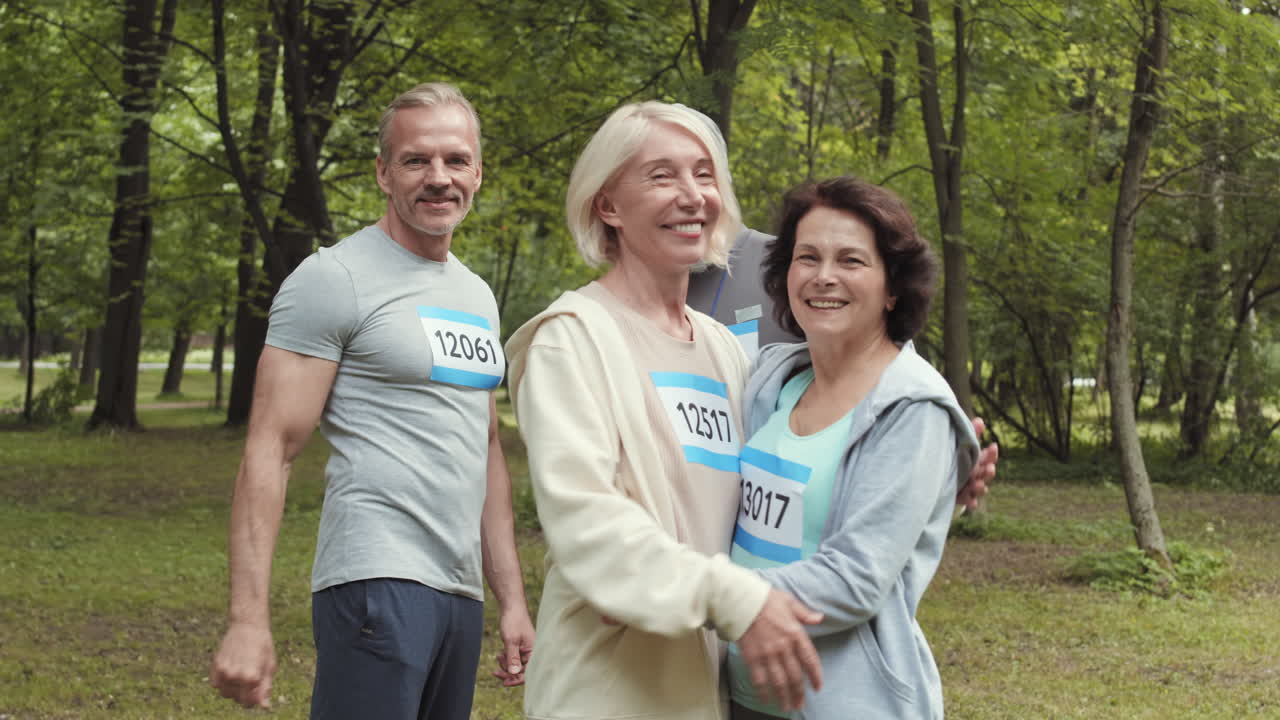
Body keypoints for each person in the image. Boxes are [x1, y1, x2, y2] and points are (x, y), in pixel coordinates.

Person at [208, 83, 534, 720]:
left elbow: (485, 445)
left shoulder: (475, 295)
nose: (438, 178)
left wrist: (512, 597)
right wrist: (248, 619)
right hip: (375, 581)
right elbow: (270, 448)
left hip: (457, 591)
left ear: (477, 172)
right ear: (384, 173)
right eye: (416, 161)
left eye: (455, 161)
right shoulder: (336, 277)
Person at [504, 101, 825, 720]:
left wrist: (914, 466)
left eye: (704, 174)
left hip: (704, 691)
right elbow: (588, 526)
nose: (692, 196)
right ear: (608, 205)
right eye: (661, 176)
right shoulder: (570, 339)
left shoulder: (722, 350)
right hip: (602, 694)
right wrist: (737, 601)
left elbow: (775, 487)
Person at [724, 176, 976, 720]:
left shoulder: (913, 408)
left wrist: (706, 596)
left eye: (852, 261)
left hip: (840, 702)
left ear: (892, 287)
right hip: (737, 694)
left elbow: (855, 578)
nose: (824, 277)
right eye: (807, 256)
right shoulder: (771, 381)